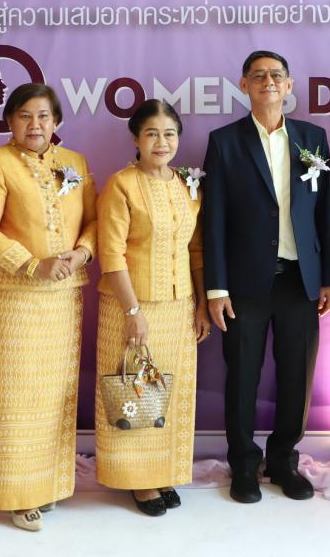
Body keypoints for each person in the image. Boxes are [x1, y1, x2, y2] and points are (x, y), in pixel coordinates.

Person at [202, 50, 330, 504]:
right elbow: (214, 219)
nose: (268, 82)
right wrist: (216, 287)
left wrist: (328, 276)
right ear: (244, 85)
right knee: (243, 375)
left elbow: (323, 212)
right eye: (258, 76)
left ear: (289, 84)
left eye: (276, 75)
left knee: (297, 376)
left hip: (300, 279)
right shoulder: (225, 142)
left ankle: (283, 461)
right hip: (244, 283)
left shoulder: (312, 138)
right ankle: (243, 465)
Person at [0, 82, 96, 531]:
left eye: (43, 116)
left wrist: (83, 253)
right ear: (10, 121)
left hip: (62, 299)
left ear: (56, 121)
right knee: (14, 395)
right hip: (12, 299)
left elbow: (94, 220)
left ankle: (47, 484)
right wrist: (30, 264)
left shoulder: (74, 163)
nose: (35, 124)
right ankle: (17, 494)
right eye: (24, 115)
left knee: (52, 394)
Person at [94, 99, 211, 516]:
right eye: (152, 134)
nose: (162, 142)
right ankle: (137, 480)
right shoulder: (121, 185)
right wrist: (132, 313)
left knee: (168, 394)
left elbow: (196, 250)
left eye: (170, 134)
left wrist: (200, 305)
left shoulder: (186, 185)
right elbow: (111, 254)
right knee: (135, 390)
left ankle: (162, 472)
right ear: (136, 139)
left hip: (178, 309)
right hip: (132, 306)